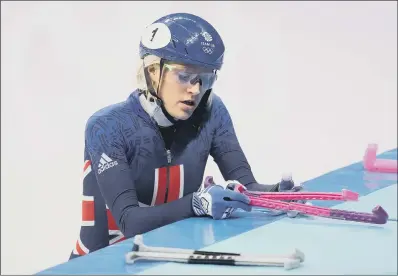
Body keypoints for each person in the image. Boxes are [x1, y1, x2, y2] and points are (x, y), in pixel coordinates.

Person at [69, 12, 301, 259]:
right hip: (99, 264)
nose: (195, 89)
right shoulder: (106, 126)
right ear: (152, 71)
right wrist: (196, 204)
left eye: (205, 78)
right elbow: (129, 221)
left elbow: (247, 187)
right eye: (183, 75)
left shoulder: (212, 112)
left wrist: (277, 194)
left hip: (165, 260)